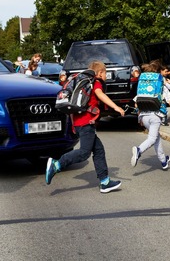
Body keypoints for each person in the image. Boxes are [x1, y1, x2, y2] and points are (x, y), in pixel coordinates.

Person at [45, 60, 125, 193]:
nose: (106, 76)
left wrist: (74, 124)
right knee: (84, 153)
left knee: (99, 150)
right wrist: (116, 107)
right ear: (100, 73)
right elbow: (101, 95)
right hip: (86, 123)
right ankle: (57, 164)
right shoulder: (96, 82)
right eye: (106, 73)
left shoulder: (86, 82)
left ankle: (104, 181)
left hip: (81, 122)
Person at [130, 60, 170, 170]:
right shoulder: (160, 85)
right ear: (157, 72)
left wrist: (139, 116)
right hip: (155, 115)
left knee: (156, 138)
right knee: (152, 138)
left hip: (144, 115)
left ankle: (163, 161)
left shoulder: (143, 82)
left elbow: (136, 102)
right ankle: (139, 150)